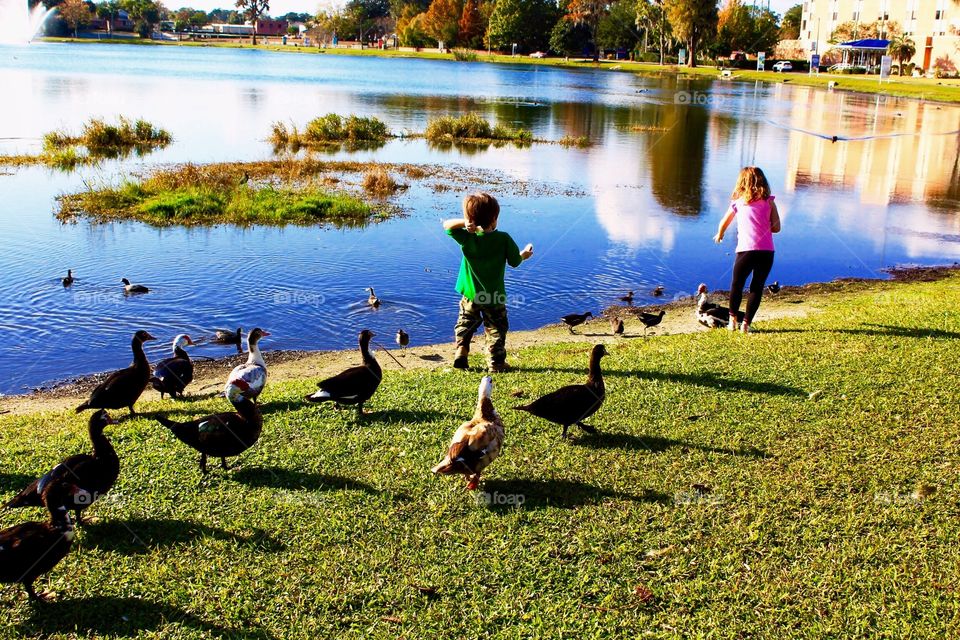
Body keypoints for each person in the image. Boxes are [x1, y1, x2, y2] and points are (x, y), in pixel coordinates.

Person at [443, 192, 533, 372]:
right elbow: (515, 262)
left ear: (471, 219)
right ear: (494, 219)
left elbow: (447, 226)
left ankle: (461, 351)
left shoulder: (468, 238)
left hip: (470, 295)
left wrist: (465, 223)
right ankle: (495, 362)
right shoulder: (503, 238)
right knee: (496, 328)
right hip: (494, 296)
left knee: (466, 322)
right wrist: (524, 254)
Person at [713, 166, 781, 334]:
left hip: (746, 250)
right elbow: (777, 228)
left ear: (741, 183)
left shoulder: (738, 202)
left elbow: (723, 223)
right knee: (756, 287)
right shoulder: (770, 202)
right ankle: (746, 324)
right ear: (763, 182)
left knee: (737, 285)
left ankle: (732, 321)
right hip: (766, 251)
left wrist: (719, 235)